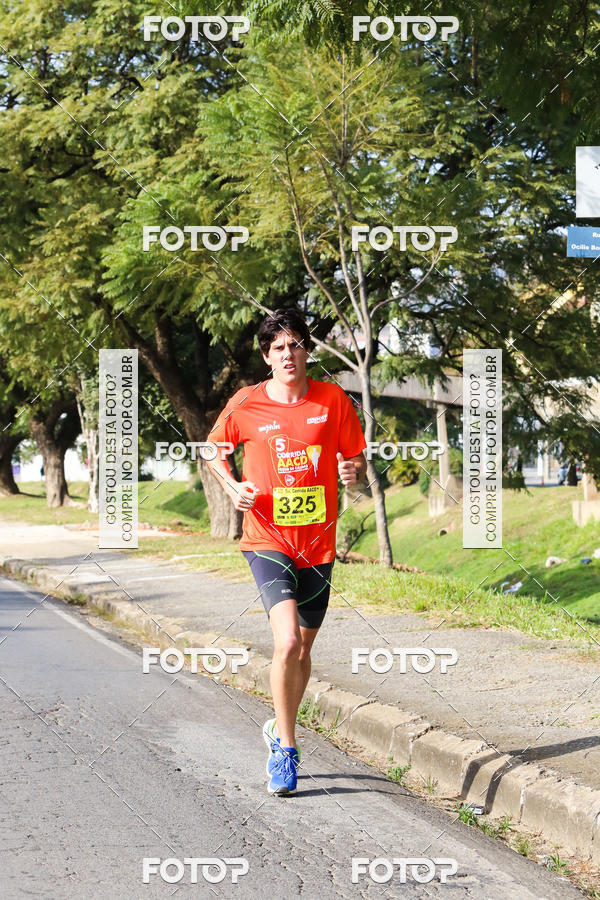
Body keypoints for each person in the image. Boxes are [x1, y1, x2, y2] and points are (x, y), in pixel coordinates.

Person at [207, 308, 367, 795]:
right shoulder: (246, 403)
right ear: (266, 356)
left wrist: (353, 473)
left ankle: (281, 723)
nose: (288, 354)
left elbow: (355, 457)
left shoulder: (333, 399)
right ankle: (286, 749)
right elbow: (213, 450)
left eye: (296, 344)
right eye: (278, 347)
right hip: (267, 539)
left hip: (318, 543)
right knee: (288, 643)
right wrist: (232, 487)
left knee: (304, 650)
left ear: (307, 351)